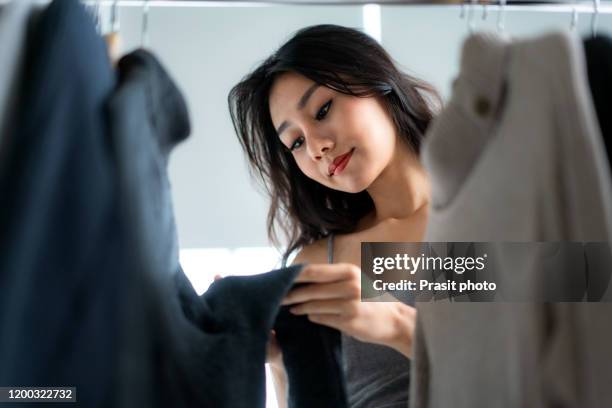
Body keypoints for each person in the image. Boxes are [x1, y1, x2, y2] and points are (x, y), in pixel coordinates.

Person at [228, 24, 440, 408]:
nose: (317, 148)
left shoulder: (492, 215)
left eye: (323, 109)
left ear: (375, 80)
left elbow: (559, 370)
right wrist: (282, 357)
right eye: (295, 142)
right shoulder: (317, 262)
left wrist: (397, 327)